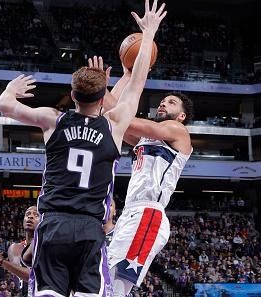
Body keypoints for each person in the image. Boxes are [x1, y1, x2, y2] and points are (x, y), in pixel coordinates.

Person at [0, 0, 166, 295]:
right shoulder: (114, 124)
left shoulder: (52, 119)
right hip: (90, 228)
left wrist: (12, 89)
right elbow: (137, 83)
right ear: (103, 99)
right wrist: (149, 33)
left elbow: (4, 106)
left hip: (53, 226)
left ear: (72, 96)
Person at [103, 68, 193, 297]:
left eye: (171, 103)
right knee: (102, 282)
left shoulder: (177, 130)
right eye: (162, 101)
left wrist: (102, 91)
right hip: (130, 214)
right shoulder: (146, 138)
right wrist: (105, 87)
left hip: (148, 213)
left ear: (181, 116)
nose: (163, 104)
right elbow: (112, 117)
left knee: (113, 288)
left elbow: (122, 117)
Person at [0, 206, 40, 296]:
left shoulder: (49, 246)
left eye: (36, 215)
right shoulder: (15, 248)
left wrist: (1, 261)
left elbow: (34, 276)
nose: (30, 216)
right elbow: (22, 273)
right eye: (27, 214)